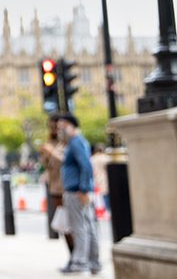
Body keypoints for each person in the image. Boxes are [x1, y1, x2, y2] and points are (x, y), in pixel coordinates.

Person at [57, 114, 100, 276]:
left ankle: (81, 262)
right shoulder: (75, 143)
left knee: (80, 227)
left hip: (76, 191)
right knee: (87, 226)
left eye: (62, 126)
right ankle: (93, 262)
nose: (59, 130)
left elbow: (86, 166)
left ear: (71, 125)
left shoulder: (76, 143)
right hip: (78, 190)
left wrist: (83, 189)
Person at [38, 114, 73, 263]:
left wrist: (51, 152)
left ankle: (78, 256)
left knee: (72, 224)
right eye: (51, 125)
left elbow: (67, 162)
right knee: (63, 224)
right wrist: (45, 155)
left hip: (67, 187)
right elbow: (47, 166)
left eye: (56, 125)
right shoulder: (50, 143)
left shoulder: (69, 142)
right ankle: (72, 256)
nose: (53, 128)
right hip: (55, 187)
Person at [90, 144, 110, 213]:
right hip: (105, 179)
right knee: (106, 196)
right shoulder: (106, 158)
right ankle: (107, 210)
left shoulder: (92, 159)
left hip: (95, 180)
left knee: (98, 198)